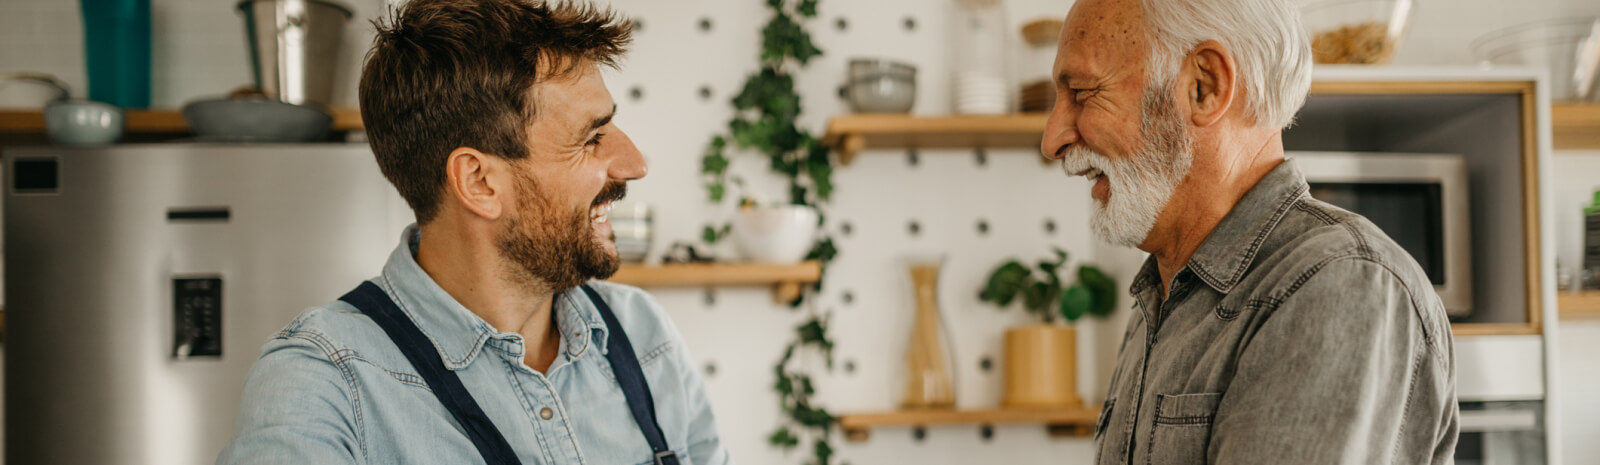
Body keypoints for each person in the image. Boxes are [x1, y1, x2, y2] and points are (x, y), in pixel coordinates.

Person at [217, 0, 731, 463]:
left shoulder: (643, 336)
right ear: (479, 182)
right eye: (592, 139)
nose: (635, 165)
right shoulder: (322, 383)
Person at [1041, 0, 1459, 463]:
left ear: (1205, 86)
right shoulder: (1160, 294)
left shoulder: (1336, 281)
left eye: (1081, 92)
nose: (1052, 138)